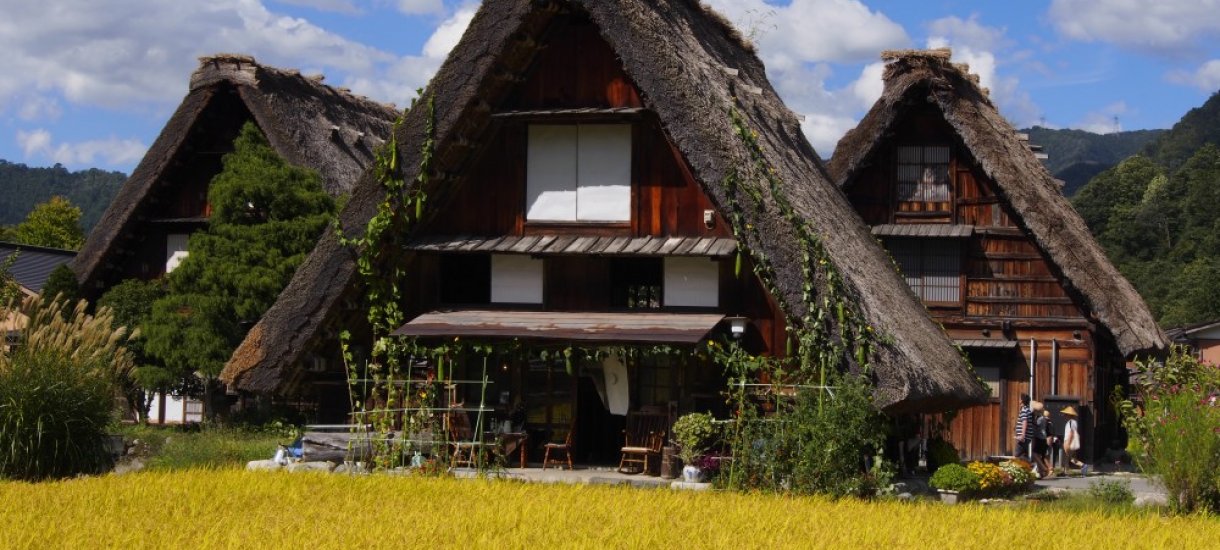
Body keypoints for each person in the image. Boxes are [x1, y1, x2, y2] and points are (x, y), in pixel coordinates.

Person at [1061, 406, 1088, 476]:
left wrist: (1068, 443)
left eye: (1066, 414)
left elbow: (1071, 433)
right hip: (1070, 441)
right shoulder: (1073, 422)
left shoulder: (1070, 422)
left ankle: (1082, 465)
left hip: (1068, 441)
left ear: (1069, 415)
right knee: (1069, 457)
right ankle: (1066, 471)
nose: (1064, 415)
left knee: (1068, 457)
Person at [1031, 402, 1053, 478]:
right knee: (1041, 456)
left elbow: (1035, 425)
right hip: (1043, 439)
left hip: (1040, 438)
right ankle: (1041, 473)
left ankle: (1044, 469)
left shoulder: (1041, 419)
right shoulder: (1048, 421)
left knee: (1034, 454)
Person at [1013, 393, 1033, 459]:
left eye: (1019, 399)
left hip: (1024, 438)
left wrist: (1022, 435)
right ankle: (1027, 467)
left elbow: (1025, 422)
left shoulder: (1024, 410)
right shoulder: (1027, 410)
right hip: (1027, 437)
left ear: (1021, 401)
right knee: (1024, 455)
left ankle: (1020, 467)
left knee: (1016, 455)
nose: (1019, 400)